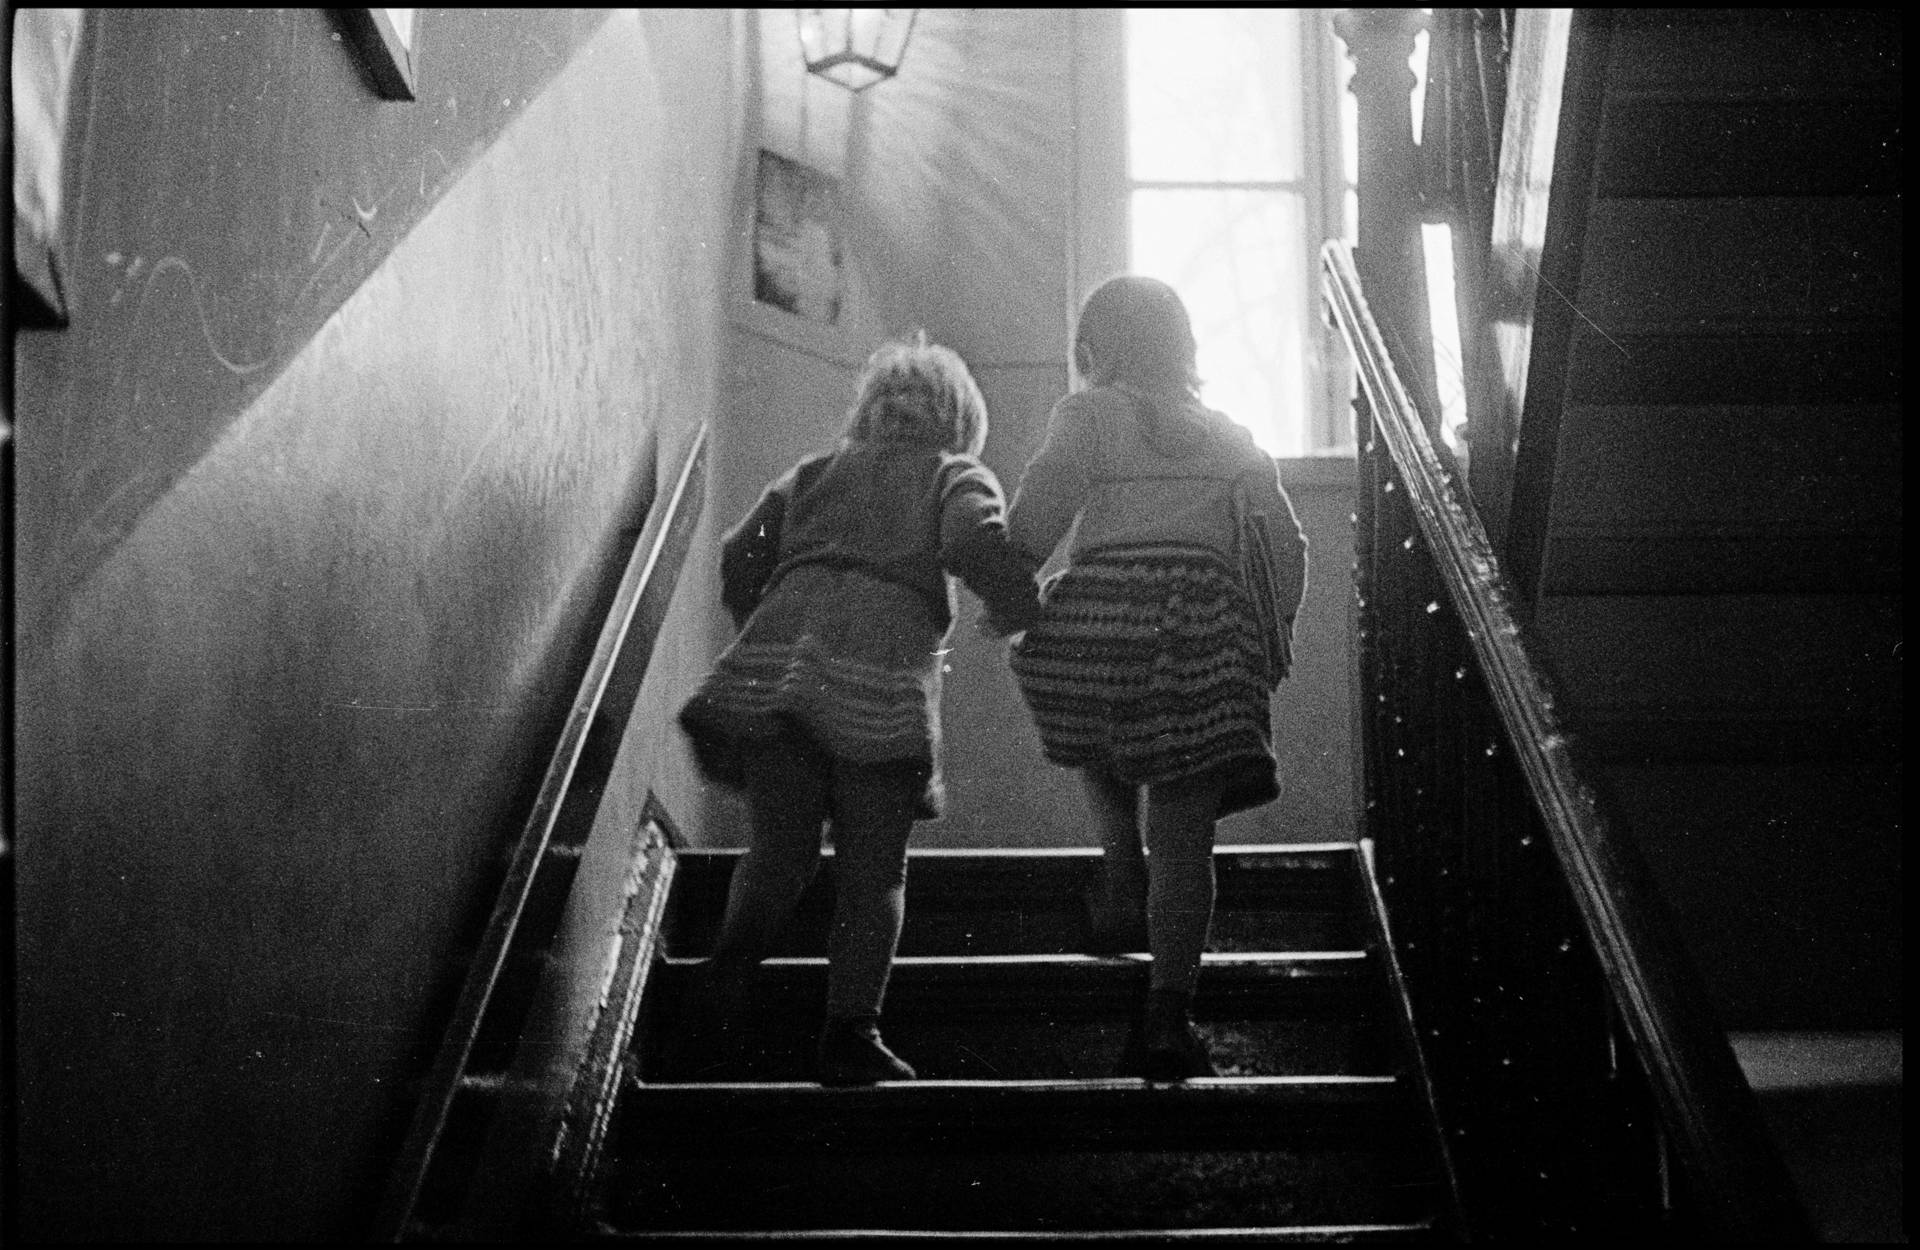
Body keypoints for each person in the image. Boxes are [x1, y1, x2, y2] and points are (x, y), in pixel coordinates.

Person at [677, 335, 1040, 1085]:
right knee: (874, 871)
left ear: (869, 410)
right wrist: (1014, 603)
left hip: (784, 672)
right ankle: (850, 1030)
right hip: (880, 680)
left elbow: (740, 553)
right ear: (961, 424)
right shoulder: (953, 472)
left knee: (779, 851)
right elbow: (972, 537)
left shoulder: (811, 474)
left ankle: (727, 970)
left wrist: (766, 622)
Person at [1005, 275, 1308, 1081]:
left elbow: (1041, 509)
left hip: (1105, 618)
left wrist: (1011, 573)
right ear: (1185, 351)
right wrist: (1274, 630)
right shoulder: (1233, 438)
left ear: (1092, 351)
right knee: (1185, 830)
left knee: (1091, 713)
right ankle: (1169, 1010)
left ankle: (1118, 860)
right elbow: (1287, 545)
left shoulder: (1089, 415)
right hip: (1207, 633)